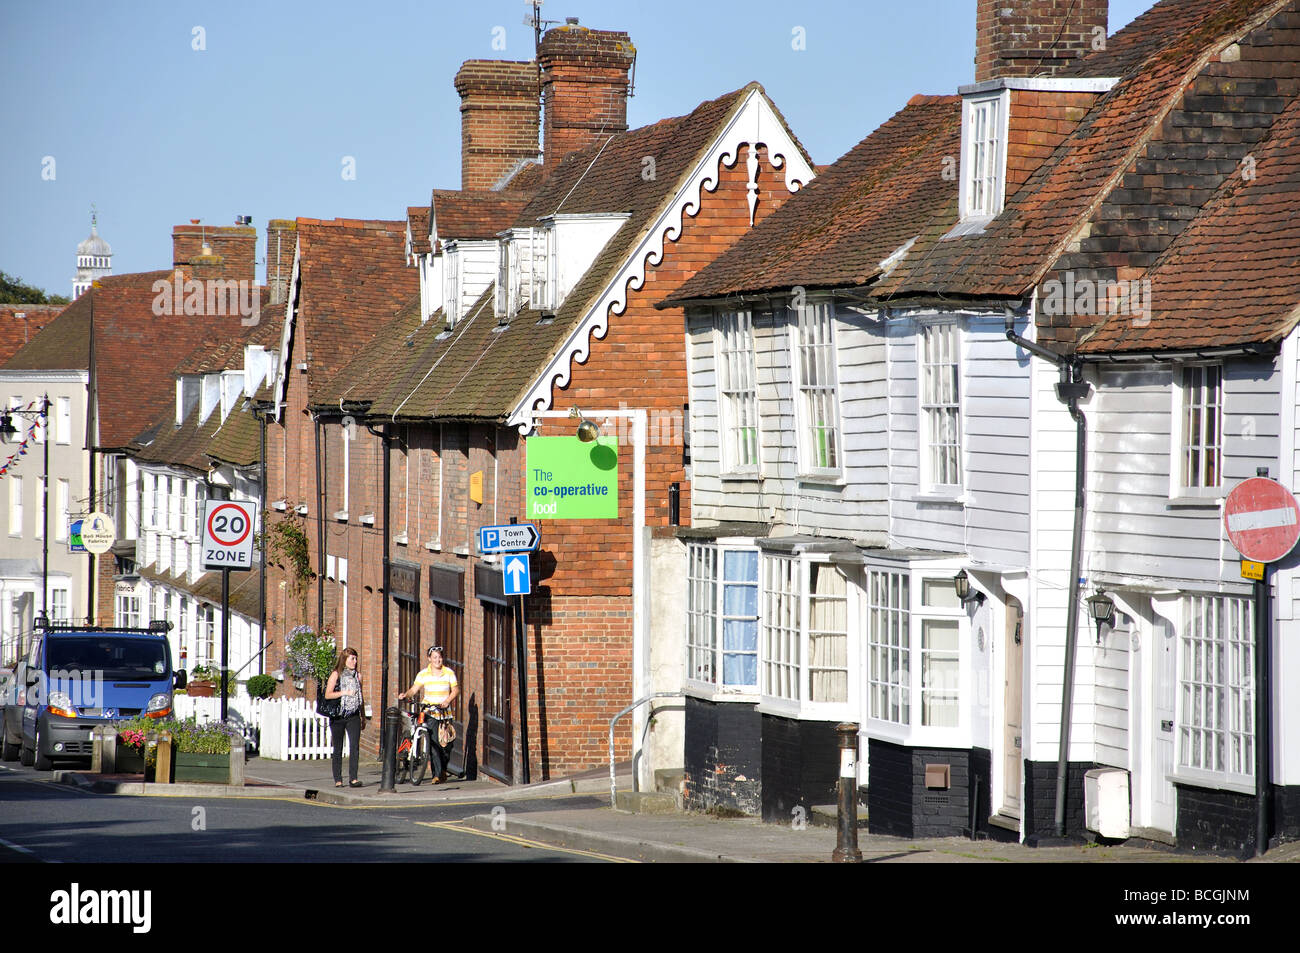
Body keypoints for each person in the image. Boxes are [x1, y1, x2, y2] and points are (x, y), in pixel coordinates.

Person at [398, 645, 459, 783]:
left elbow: (455, 690)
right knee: (433, 744)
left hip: (445, 714)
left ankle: (442, 770)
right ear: (429, 659)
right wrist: (405, 695)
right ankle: (436, 775)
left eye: (440, 657)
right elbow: (414, 689)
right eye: (435, 657)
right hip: (429, 712)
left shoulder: (448, 672)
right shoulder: (423, 674)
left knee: (447, 745)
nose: (438, 660)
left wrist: (447, 700)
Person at [325, 647, 365, 788]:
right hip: (338, 716)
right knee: (338, 748)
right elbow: (328, 694)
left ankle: (353, 778)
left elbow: (361, 697)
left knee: (354, 747)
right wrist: (345, 693)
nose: (355, 661)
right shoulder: (336, 674)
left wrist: (363, 716)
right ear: (345, 659)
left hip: (353, 715)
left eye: (356, 658)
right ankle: (338, 779)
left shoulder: (358, 676)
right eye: (352, 658)